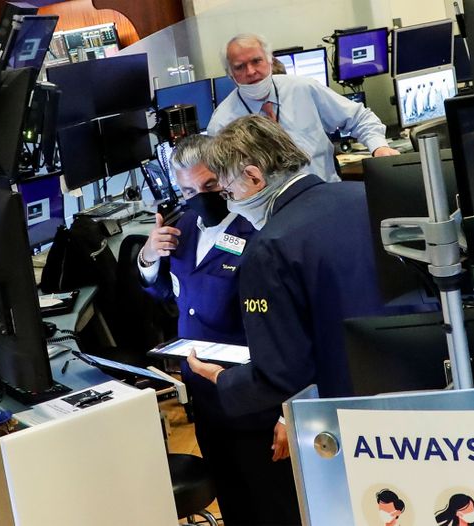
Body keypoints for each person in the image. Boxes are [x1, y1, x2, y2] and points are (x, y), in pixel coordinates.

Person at [188, 115, 385, 441]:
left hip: (347, 417)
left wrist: (222, 379)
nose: (231, 204)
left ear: (253, 177)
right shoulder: (369, 195)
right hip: (425, 390)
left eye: (227, 192)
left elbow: (281, 374)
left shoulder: (268, 249)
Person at [138, 134, 299, 525]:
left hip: (256, 398)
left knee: (274, 504)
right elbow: (168, 293)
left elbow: (288, 328)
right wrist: (148, 255)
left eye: (209, 186)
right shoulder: (184, 227)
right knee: (232, 498)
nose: (200, 196)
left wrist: (286, 413)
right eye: (188, 190)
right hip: (206, 396)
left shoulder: (259, 228)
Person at [208, 33, 399, 183]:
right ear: (229, 73)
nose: (251, 72)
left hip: (328, 195)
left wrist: (379, 147)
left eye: (256, 61)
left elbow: (359, 118)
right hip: (275, 216)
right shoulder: (222, 123)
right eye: (240, 67)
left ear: (269, 60)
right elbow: (227, 182)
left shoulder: (302, 89)